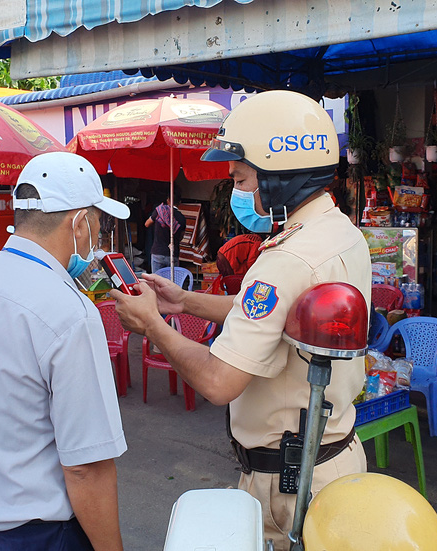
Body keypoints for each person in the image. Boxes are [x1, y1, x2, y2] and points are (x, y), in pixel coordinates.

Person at [111, 90, 371, 550]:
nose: (237, 191)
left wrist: (152, 325)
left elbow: (217, 381)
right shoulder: (338, 233)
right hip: (336, 460)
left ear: (280, 174)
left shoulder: (287, 259)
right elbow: (277, 315)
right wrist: (184, 302)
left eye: (242, 177)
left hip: (292, 485)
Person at [0, 151, 128, 551]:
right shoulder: (70, 312)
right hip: (36, 536)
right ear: (80, 222)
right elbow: (86, 466)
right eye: (99, 223)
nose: (98, 237)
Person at [145, 196, 186, 273]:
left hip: (158, 253)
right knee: (170, 283)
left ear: (168, 200)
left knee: (157, 281)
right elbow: (181, 237)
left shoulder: (159, 211)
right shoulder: (182, 218)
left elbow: (147, 224)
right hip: (173, 254)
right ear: (180, 203)